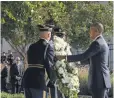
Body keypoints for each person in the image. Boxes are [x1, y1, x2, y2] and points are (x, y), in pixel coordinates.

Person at [57, 22, 111, 98]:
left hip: (98, 81)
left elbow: (84, 56)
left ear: (96, 31)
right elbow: (89, 60)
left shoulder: (97, 43)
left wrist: (65, 57)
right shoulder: (102, 42)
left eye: (91, 31)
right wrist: (75, 64)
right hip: (102, 81)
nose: (89, 33)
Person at [22, 25, 55, 98]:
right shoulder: (48, 47)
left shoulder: (31, 46)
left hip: (27, 80)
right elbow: (49, 65)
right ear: (49, 34)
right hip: (39, 81)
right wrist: (53, 80)